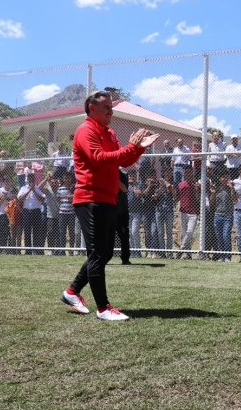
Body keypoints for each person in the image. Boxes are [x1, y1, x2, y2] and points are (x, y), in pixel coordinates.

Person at [60, 90, 159, 321]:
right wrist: (129, 148)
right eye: (105, 107)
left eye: (111, 107)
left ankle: (72, 292)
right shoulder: (86, 130)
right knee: (97, 255)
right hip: (90, 199)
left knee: (103, 254)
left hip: (107, 199)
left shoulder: (109, 132)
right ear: (91, 108)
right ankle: (103, 308)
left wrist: (138, 147)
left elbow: (123, 160)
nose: (110, 111)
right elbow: (99, 158)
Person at [18, 173, 45, 255]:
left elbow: (42, 199)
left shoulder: (38, 188)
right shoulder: (23, 188)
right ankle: (28, 250)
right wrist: (29, 190)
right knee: (27, 232)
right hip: (26, 212)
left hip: (36, 212)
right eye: (29, 178)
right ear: (27, 179)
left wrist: (33, 190)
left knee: (36, 232)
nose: (31, 179)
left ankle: (36, 250)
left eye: (32, 177)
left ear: (34, 178)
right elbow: (20, 199)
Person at [176, 166, 200, 259]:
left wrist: (196, 190)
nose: (187, 174)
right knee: (185, 234)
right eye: (186, 172)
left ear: (192, 173)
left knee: (189, 232)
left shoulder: (196, 184)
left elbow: (198, 199)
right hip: (183, 212)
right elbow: (177, 198)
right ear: (183, 173)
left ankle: (181, 250)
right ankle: (189, 255)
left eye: (189, 172)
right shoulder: (180, 185)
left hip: (193, 213)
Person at [209, 170, 233, 262]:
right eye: (223, 177)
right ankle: (221, 256)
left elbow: (234, 199)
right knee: (219, 236)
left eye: (227, 177)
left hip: (228, 216)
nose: (225, 179)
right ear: (219, 178)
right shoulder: (216, 188)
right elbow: (211, 203)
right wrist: (213, 193)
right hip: (217, 215)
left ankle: (227, 256)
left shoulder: (230, 188)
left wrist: (232, 189)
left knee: (226, 235)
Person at [154, 167, 175, 258]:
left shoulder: (173, 183)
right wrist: (161, 185)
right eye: (166, 172)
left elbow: (171, 191)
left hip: (169, 210)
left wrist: (166, 183)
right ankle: (162, 252)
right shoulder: (158, 183)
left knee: (169, 232)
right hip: (159, 210)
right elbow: (155, 196)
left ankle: (169, 252)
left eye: (169, 172)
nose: (168, 173)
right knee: (160, 232)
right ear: (163, 173)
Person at [57, 172, 76, 257]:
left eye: (68, 178)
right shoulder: (60, 189)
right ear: (63, 179)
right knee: (62, 232)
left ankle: (71, 250)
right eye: (65, 178)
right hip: (62, 213)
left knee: (72, 232)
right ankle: (62, 250)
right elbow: (58, 200)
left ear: (71, 179)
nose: (66, 179)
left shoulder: (74, 188)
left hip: (71, 213)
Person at [115, 169, 131, 265]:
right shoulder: (104, 173)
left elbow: (124, 188)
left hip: (122, 210)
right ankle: (103, 257)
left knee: (124, 235)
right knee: (106, 236)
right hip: (109, 210)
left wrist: (114, 178)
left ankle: (125, 258)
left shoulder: (123, 174)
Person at [5, 188, 22, 253]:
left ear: (17, 194)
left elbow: (21, 211)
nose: (13, 195)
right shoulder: (9, 202)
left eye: (15, 193)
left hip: (19, 221)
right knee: (12, 236)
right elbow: (7, 212)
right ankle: (13, 250)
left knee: (18, 236)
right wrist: (10, 220)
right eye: (12, 193)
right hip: (12, 222)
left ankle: (18, 250)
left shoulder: (20, 202)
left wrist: (17, 204)